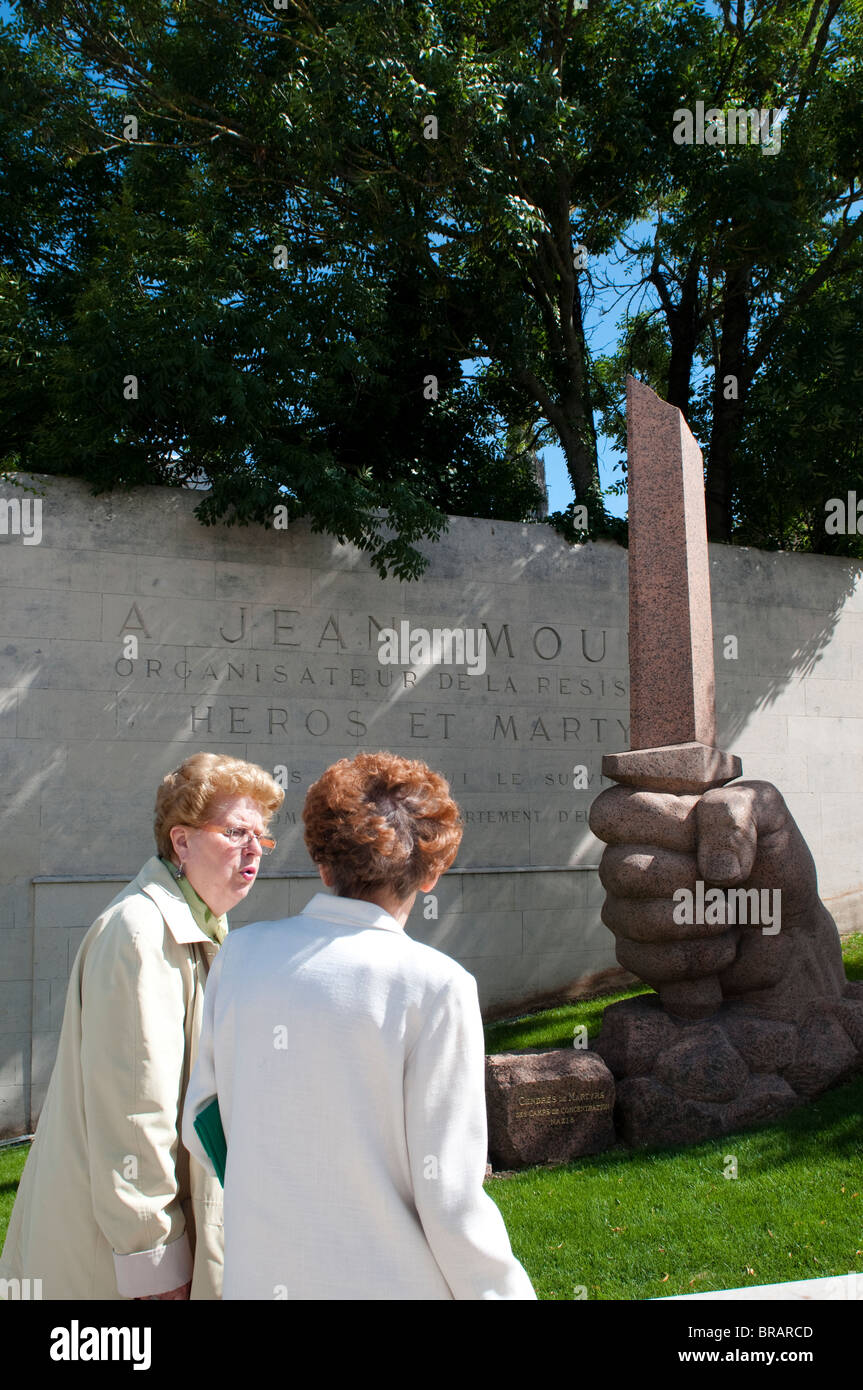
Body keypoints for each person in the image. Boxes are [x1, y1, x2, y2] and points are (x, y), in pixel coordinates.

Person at [183, 751, 537, 1300]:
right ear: (432, 871)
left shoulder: (242, 954)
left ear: (323, 864)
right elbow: (449, 1197)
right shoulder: (438, 987)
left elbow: (202, 1124)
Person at [0, 752, 283, 1300]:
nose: (254, 849)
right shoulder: (140, 934)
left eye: (261, 836)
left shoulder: (201, 919)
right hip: (104, 1261)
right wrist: (154, 1265)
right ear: (181, 842)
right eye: (235, 832)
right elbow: (135, 1113)